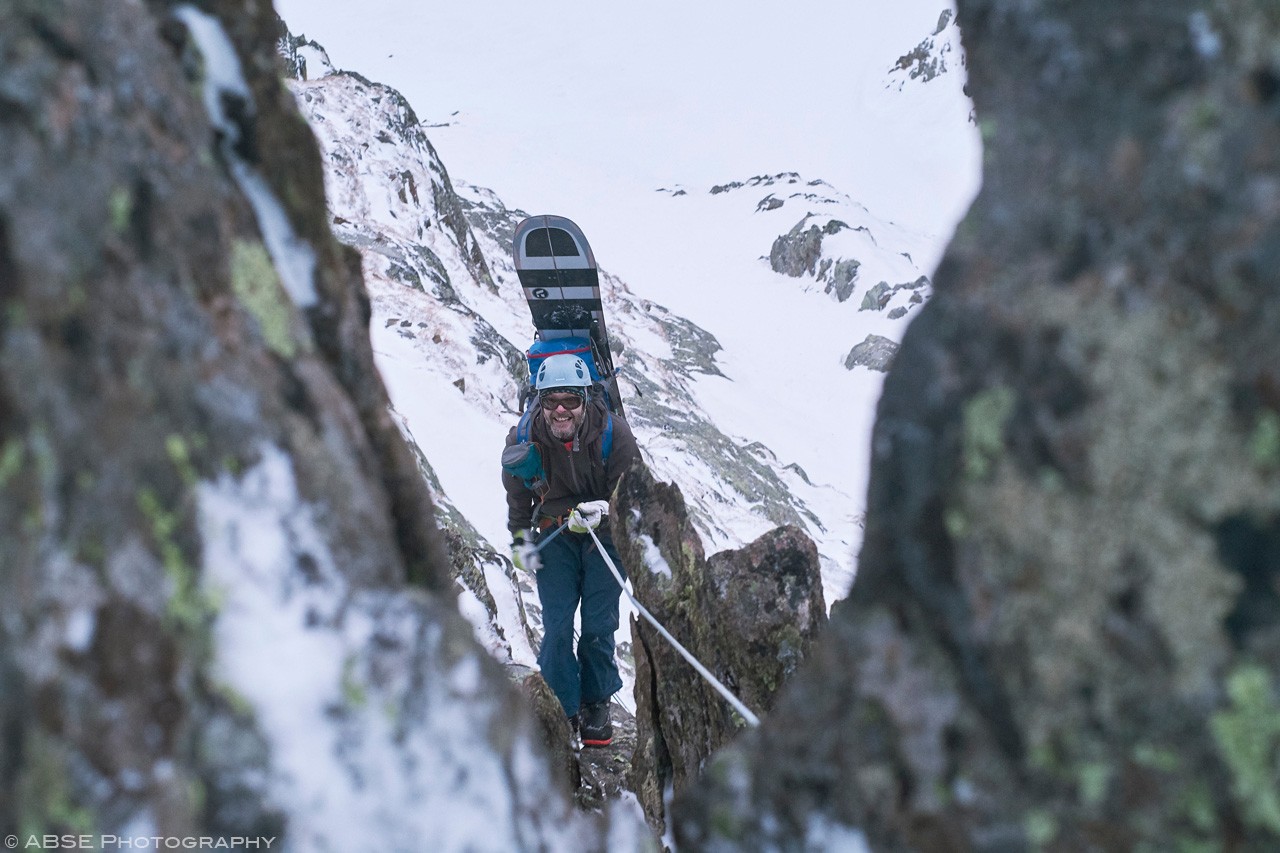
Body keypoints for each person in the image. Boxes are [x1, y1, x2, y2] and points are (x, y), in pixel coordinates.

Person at [501, 352, 640, 746]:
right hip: (554, 533)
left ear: (586, 399)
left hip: (605, 535)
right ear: (539, 402)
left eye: (570, 401)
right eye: (550, 401)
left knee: (598, 624)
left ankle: (596, 703)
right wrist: (519, 539)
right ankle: (562, 708)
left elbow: (633, 494)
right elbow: (517, 494)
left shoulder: (616, 435)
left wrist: (605, 510)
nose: (560, 410)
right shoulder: (524, 439)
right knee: (558, 625)